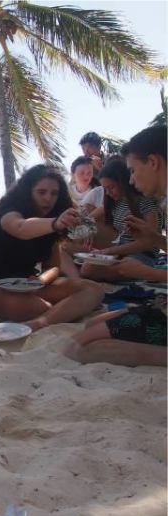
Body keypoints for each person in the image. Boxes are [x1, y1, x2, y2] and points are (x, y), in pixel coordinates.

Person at [66, 126, 168, 367]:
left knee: (90, 346)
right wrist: (155, 237)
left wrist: (148, 273)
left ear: (153, 162)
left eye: (132, 171)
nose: (131, 179)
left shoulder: (152, 203)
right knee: (91, 328)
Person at [0, 165, 104, 331]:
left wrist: (41, 280)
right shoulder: (10, 213)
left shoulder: (52, 222)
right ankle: (57, 313)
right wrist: (55, 223)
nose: (48, 198)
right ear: (28, 192)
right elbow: (21, 227)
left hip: (27, 285)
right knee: (32, 306)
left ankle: (38, 323)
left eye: (54, 193)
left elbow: (53, 266)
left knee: (94, 289)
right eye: (41, 192)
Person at [82, 157, 163, 281]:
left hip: (142, 255)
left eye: (112, 187)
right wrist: (89, 230)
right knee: (70, 244)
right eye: (106, 189)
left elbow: (148, 244)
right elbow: (87, 219)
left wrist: (108, 251)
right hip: (120, 250)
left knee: (88, 269)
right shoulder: (115, 202)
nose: (108, 193)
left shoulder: (146, 202)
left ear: (123, 182)